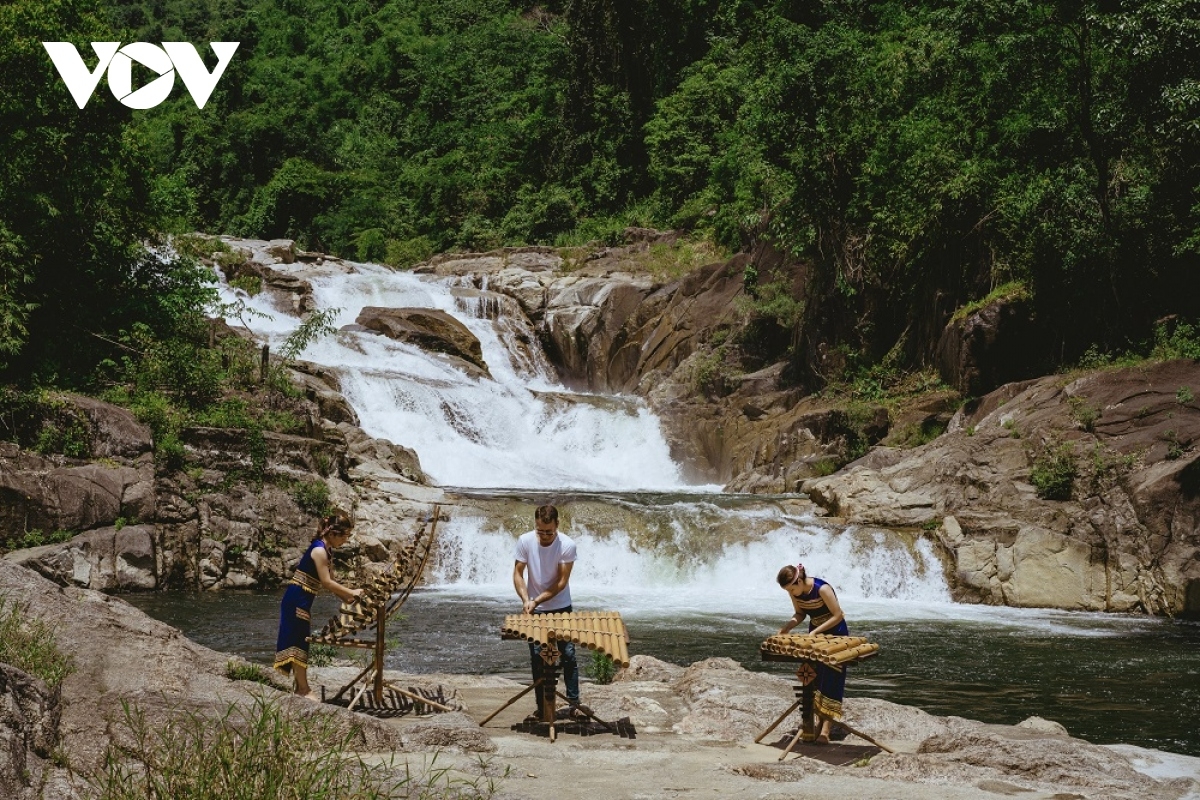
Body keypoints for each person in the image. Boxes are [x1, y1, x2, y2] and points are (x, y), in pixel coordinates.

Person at [274, 510, 363, 700]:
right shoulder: (319, 551)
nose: (346, 540)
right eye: (345, 536)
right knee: (298, 641)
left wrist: (346, 597)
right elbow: (327, 582)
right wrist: (352, 593)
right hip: (296, 600)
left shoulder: (327, 549)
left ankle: (300, 687)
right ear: (333, 533)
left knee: (300, 640)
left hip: (303, 599)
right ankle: (303, 690)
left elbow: (332, 581)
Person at [512, 503, 582, 722]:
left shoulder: (567, 545)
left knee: (568, 655)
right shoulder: (525, 541)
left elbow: (561, 582)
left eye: (548, 532)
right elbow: (517, 572)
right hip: (534, 609)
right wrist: (526, 599)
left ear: (557, 525)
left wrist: (537, 600)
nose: (543, 536)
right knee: (537, 658)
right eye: (540, 531)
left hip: (561, 607)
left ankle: (573, 704)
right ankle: (542, 708)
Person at [776, 561, 848, 743]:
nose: (790, 594)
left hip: (836, 634)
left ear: (798, 581)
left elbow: (838, 614)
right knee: (814, 676)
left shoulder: (822, 589)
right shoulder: (795, 591)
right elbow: (800, 614)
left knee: (831, 677)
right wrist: (786, 628)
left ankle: (825, 730)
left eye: (791, 590)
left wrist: (816, 631)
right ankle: (815, 723)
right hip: (815, 635)